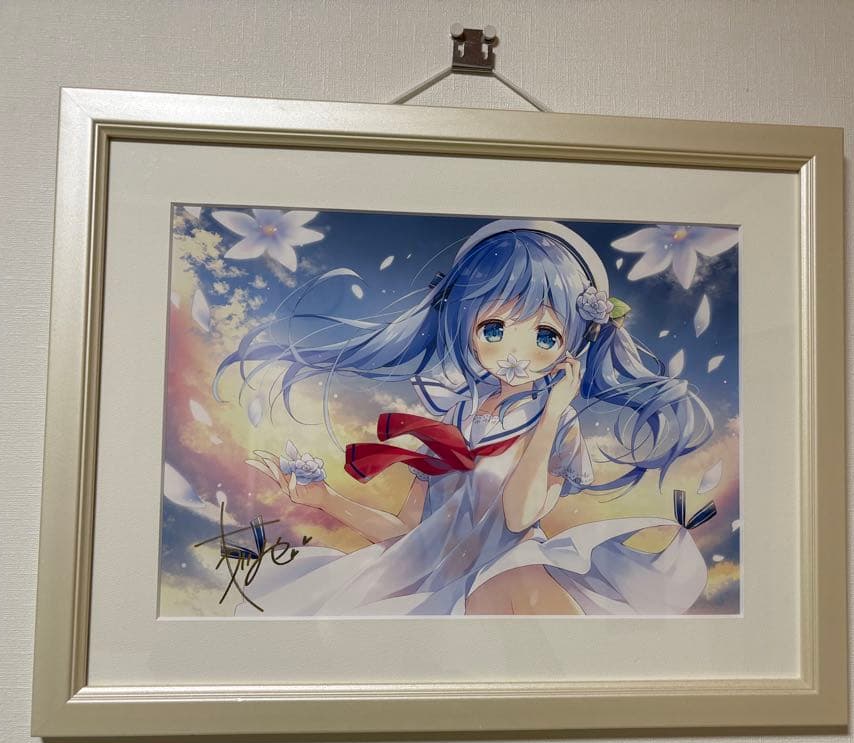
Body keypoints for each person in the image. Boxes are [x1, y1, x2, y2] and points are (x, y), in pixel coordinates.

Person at [216, 219, 714, 615]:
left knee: (518, 588)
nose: (515, 352)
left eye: (545, 335)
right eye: (494, 328)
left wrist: (553, 414)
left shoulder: (557, 424)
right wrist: (324, 499)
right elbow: (411, 537)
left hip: (512, 576)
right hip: (441, 589)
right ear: (465, 325)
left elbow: (520, 516)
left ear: (572, 344)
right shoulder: (455, 416)